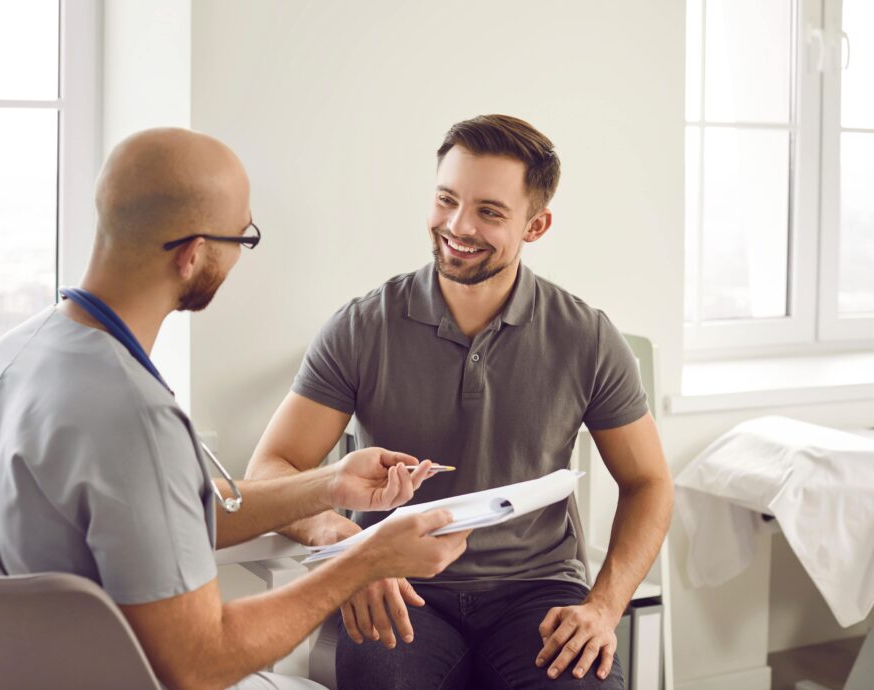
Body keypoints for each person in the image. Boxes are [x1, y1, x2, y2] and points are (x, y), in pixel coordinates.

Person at [0, 127, 471, 690]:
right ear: (193, 255)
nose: (241, 255)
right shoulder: (133, 416)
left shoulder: (21, 350)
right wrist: (366, 560)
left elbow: (160, 513)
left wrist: (329, 484)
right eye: (243, 238)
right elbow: (198, 663)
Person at [246, 114, 674, 689]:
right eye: (447, 200)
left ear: (536, 225)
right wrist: (348, 547)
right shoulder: (361, 327)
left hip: (538, 593)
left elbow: (649, 481)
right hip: (396, 584)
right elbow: (272, 470)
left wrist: (604, 606)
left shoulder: (588, 338)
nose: (457, 225)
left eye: (489, 212)